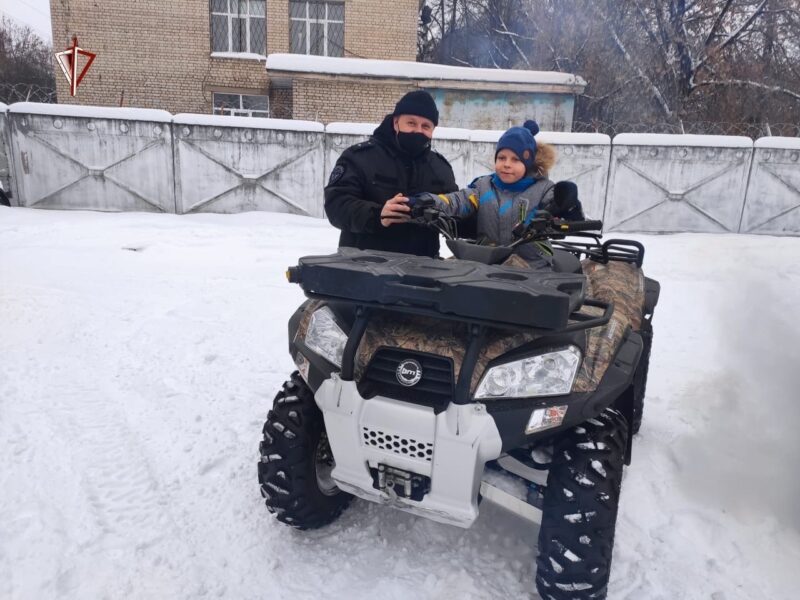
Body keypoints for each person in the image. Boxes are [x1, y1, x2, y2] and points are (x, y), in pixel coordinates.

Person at [408, 120, 584, 269]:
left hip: (532, 267)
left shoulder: (543, 189)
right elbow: (457, 201)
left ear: (529, 163)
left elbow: (561, 210)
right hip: (486, 263)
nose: (507, 164)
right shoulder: (483, 187)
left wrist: (567, 205)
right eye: (502, 158)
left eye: (515, 160)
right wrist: (428, 201)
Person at [324, 90, 458, 258]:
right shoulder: (359, 158)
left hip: (422, 271)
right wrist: (377, 214)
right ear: (396, 122)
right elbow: (336, 205)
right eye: (411, 123)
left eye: (426, 126)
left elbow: (456, 211)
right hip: (363, 268)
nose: (418, 131)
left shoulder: (440, 168)